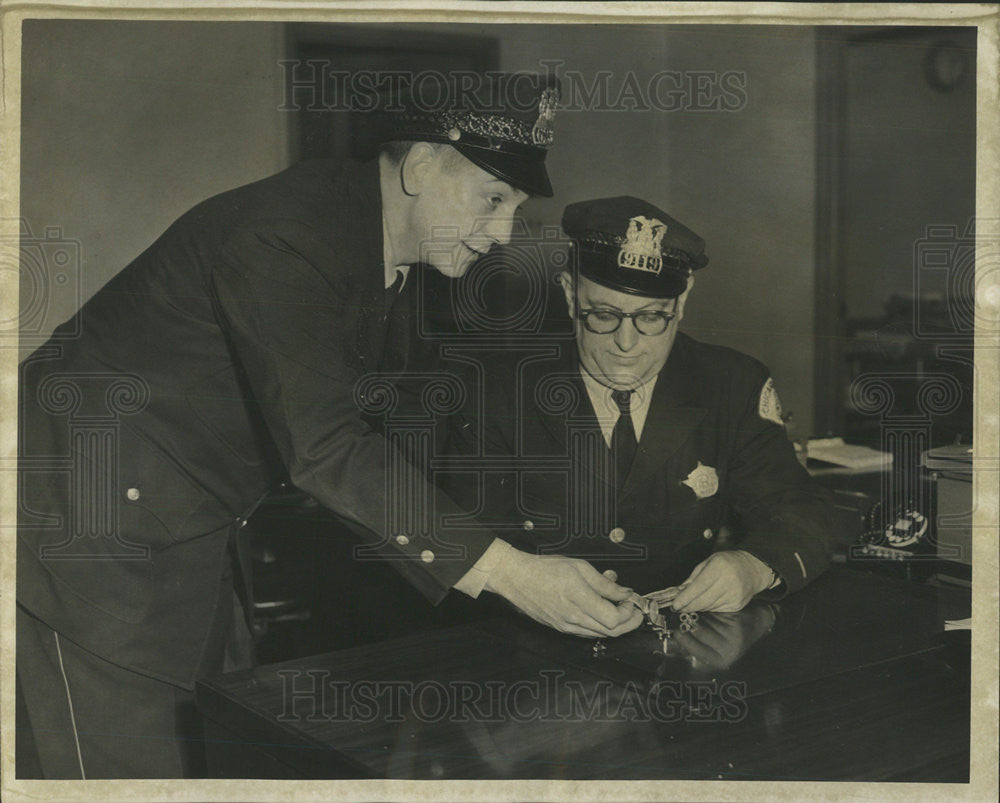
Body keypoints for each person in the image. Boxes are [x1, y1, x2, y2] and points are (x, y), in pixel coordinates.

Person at [15, 73, 640, 779]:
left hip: (181, 529)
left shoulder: (382, 256)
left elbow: (397, 435)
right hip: (91, 538)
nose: (500, 235)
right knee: (125, 770)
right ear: (420, 165)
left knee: (216, 742)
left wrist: (538, 543)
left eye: (514, 207)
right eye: (493, 200)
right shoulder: (288, 235)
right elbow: (329, 446)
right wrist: (512, 573)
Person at [442, 196, 837, 619]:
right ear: (572, 294)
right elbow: (461, 541)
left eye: (651, 318)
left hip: (687, 650)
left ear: (682, 301)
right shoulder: (498, 391)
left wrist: (754, 567)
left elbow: (800, 511)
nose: (626, 345)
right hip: (532, 646)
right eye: (604, 315)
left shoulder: (732, 385)